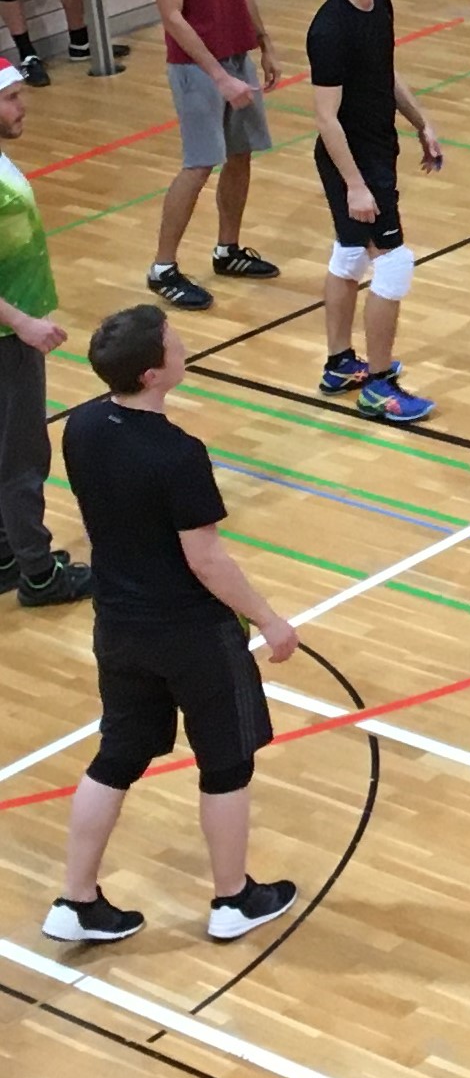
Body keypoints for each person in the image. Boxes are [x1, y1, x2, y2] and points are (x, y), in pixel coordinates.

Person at [42, 302, 299, 947]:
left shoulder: (81, 426)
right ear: (154, 375)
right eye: (172, 342)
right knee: (227, 762)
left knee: (118, 754)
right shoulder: (178, 454)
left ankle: (75, 901)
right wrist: (269, 619)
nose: (181, 345)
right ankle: (233, 899)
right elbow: (205, 558)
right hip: (191, 633)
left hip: (119, 626)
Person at [307, 0, 446, 424]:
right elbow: (325, 117)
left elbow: (384, 73)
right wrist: (357, 185)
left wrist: (421, 122)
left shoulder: (379, 6)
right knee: (394, 262)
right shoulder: (329, 29)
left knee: (348, 255)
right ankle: (379, 388)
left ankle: (341, 364)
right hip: (355, 162)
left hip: (376, 151)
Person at [140, 0, 282, 312]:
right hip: (196, 68)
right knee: (200, 163)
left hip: (237, 55)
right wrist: (218, 76)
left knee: (240, 154)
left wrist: (262, 40)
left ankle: (228, 250)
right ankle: (163, 267)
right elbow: (173, 17)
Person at [0, 60, 92, 608]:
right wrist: (22, 322)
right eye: (10, 99)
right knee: (21, 459)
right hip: (9, 339)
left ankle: (7, 556)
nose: (21, 106)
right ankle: (39, 575)